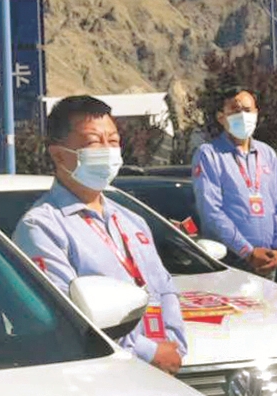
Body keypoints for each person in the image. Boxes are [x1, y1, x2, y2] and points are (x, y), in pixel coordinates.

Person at [14, 95, 187, 374]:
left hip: (161, 371)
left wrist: (174, 343)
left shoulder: (131, 220)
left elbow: (164, 288)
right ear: (58, 155)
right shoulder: (42, 228)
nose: (108, 151)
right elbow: (69, 316)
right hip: (103, 374)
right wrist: (149, 352)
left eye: (114, 141)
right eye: (94, 142)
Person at [191, 87, 277, 275]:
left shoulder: (267, 154)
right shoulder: (209, 154)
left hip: (269, 259)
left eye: (247, 110)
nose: (243, 116)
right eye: (235, 111)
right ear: (221, 117)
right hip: (230, 261)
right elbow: (211, 211)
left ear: (256, 113)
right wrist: (248, 252)